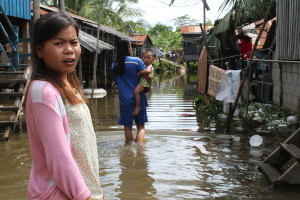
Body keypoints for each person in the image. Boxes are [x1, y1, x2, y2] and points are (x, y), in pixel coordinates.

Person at [25, 12, 104, 200]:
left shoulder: (69, 84)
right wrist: (86, 197)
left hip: (83, 192)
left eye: (74, 42)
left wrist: (96, 192)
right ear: (40, 50)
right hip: (62, 194)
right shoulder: (43, 91)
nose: (69, 50)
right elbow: (59, 158)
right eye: (59, 43)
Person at [112, 39, 150, 143]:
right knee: (140, 127)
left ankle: (128, 150)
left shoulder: (114, 65)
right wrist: (148, 87)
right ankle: (140, 151)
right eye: (130, 46)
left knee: (127, 127)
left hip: (124, 101)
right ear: (128, 48)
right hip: (139, 98)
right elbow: (147, 76)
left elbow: (116, 81)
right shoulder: (136, 61)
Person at [133, 49, 154, 116]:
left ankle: (137, 107)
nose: (147, 59)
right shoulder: (143, 65)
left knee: (136, 92)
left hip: (144, 83)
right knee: (139, 93)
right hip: (144, 82)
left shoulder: (149, 66)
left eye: (149, 58)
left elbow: (147, 71)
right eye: (145, 58)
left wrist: (140, 72)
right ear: (142, 58)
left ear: (152, 59)